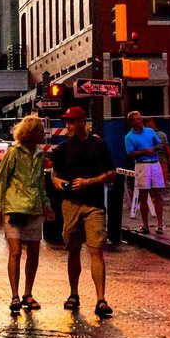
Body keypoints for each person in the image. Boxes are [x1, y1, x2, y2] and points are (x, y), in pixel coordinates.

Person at [47, 105, 116, 317]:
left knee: (96, 249)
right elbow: (54, 173)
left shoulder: (98, 145)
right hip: (70, 204)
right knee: (73, 249)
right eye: (66, 122)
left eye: (71, 122)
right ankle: (73, 294)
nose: (67, 126)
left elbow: (111, 173)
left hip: (93, 205)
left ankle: (101, 299)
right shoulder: (63, 148)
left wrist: (89, 182)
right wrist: (57, 182)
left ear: (81, 122)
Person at [0, 115, 49, 313]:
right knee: (15, 251)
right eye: (41, 131)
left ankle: (28, 292)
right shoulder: (14, 153)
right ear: (32, 133)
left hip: (34, 208)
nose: (43, 134)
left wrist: (46, 204)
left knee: (33, 252)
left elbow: (40, 183)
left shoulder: (40, 155)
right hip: (14, 208)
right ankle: (15, 295)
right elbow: (1, 179)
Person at [123, 111, 168, 234]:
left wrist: (152, 149)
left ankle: (160, 224)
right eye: (137, 119)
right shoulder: (129, 137)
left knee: (157, 194)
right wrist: (143, 152)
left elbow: (159, 145)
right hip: (142, 165)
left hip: (154, 163)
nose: (140, 120)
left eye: (140, 117)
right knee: (143, 196)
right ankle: (145, 225)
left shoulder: (150, 131)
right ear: (132, 122)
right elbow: (130, 153)